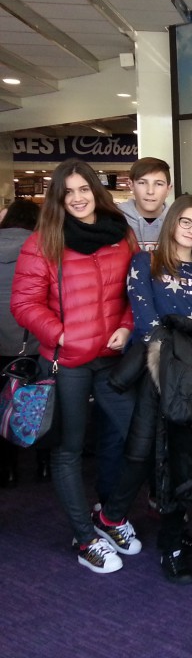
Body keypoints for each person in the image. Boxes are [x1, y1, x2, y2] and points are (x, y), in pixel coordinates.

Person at [97, 194, 192, 584]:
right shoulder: (146, 263)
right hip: (156, 379)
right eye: (185, 222)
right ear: (172, 222)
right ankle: (126, 525)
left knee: (187, 463)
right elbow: (147, 324)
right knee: (148, 457)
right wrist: (188, 347)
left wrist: (191, 354)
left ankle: (174, 535)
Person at [11, 160, 138, 574]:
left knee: (136, 436)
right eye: (68, 192)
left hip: (112, 358)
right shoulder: (43, 241)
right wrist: (62, 334)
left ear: (96, 192)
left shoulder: (121, 234)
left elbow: (136, 291)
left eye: (84, 189)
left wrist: (126, 325)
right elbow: (24, 304)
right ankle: (85, 538)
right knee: (69, 450)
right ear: (58, 198)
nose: (78, 198)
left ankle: (111, 517)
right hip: (66, 362)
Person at [0, 199, 45, 487]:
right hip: (33, 342)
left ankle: (7, 470)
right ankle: (44, 465)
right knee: (40, 402)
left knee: (0, 404)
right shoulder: (43, 248)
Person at [118, 156, 173, 252]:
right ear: (131, 185)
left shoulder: (178, 222)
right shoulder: (114, 219)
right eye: (142, 183)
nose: (150, 191)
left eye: (159, 184)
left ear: (168, 189)